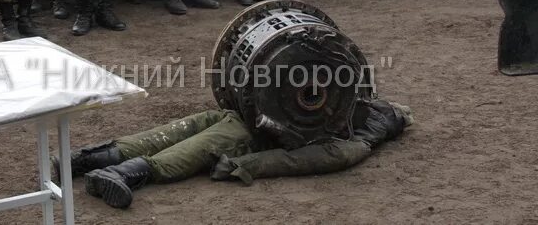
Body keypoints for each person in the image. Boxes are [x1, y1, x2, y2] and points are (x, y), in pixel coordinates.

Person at [63, 98, 411, 209]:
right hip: (255, 128)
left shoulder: (343, 84)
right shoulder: (360, 136)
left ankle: (88, 159)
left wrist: (244, 163)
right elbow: (308, 159)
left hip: (246, 112)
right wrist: (244, 165)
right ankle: (120, 173)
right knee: (187, 149)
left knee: (169, 134)